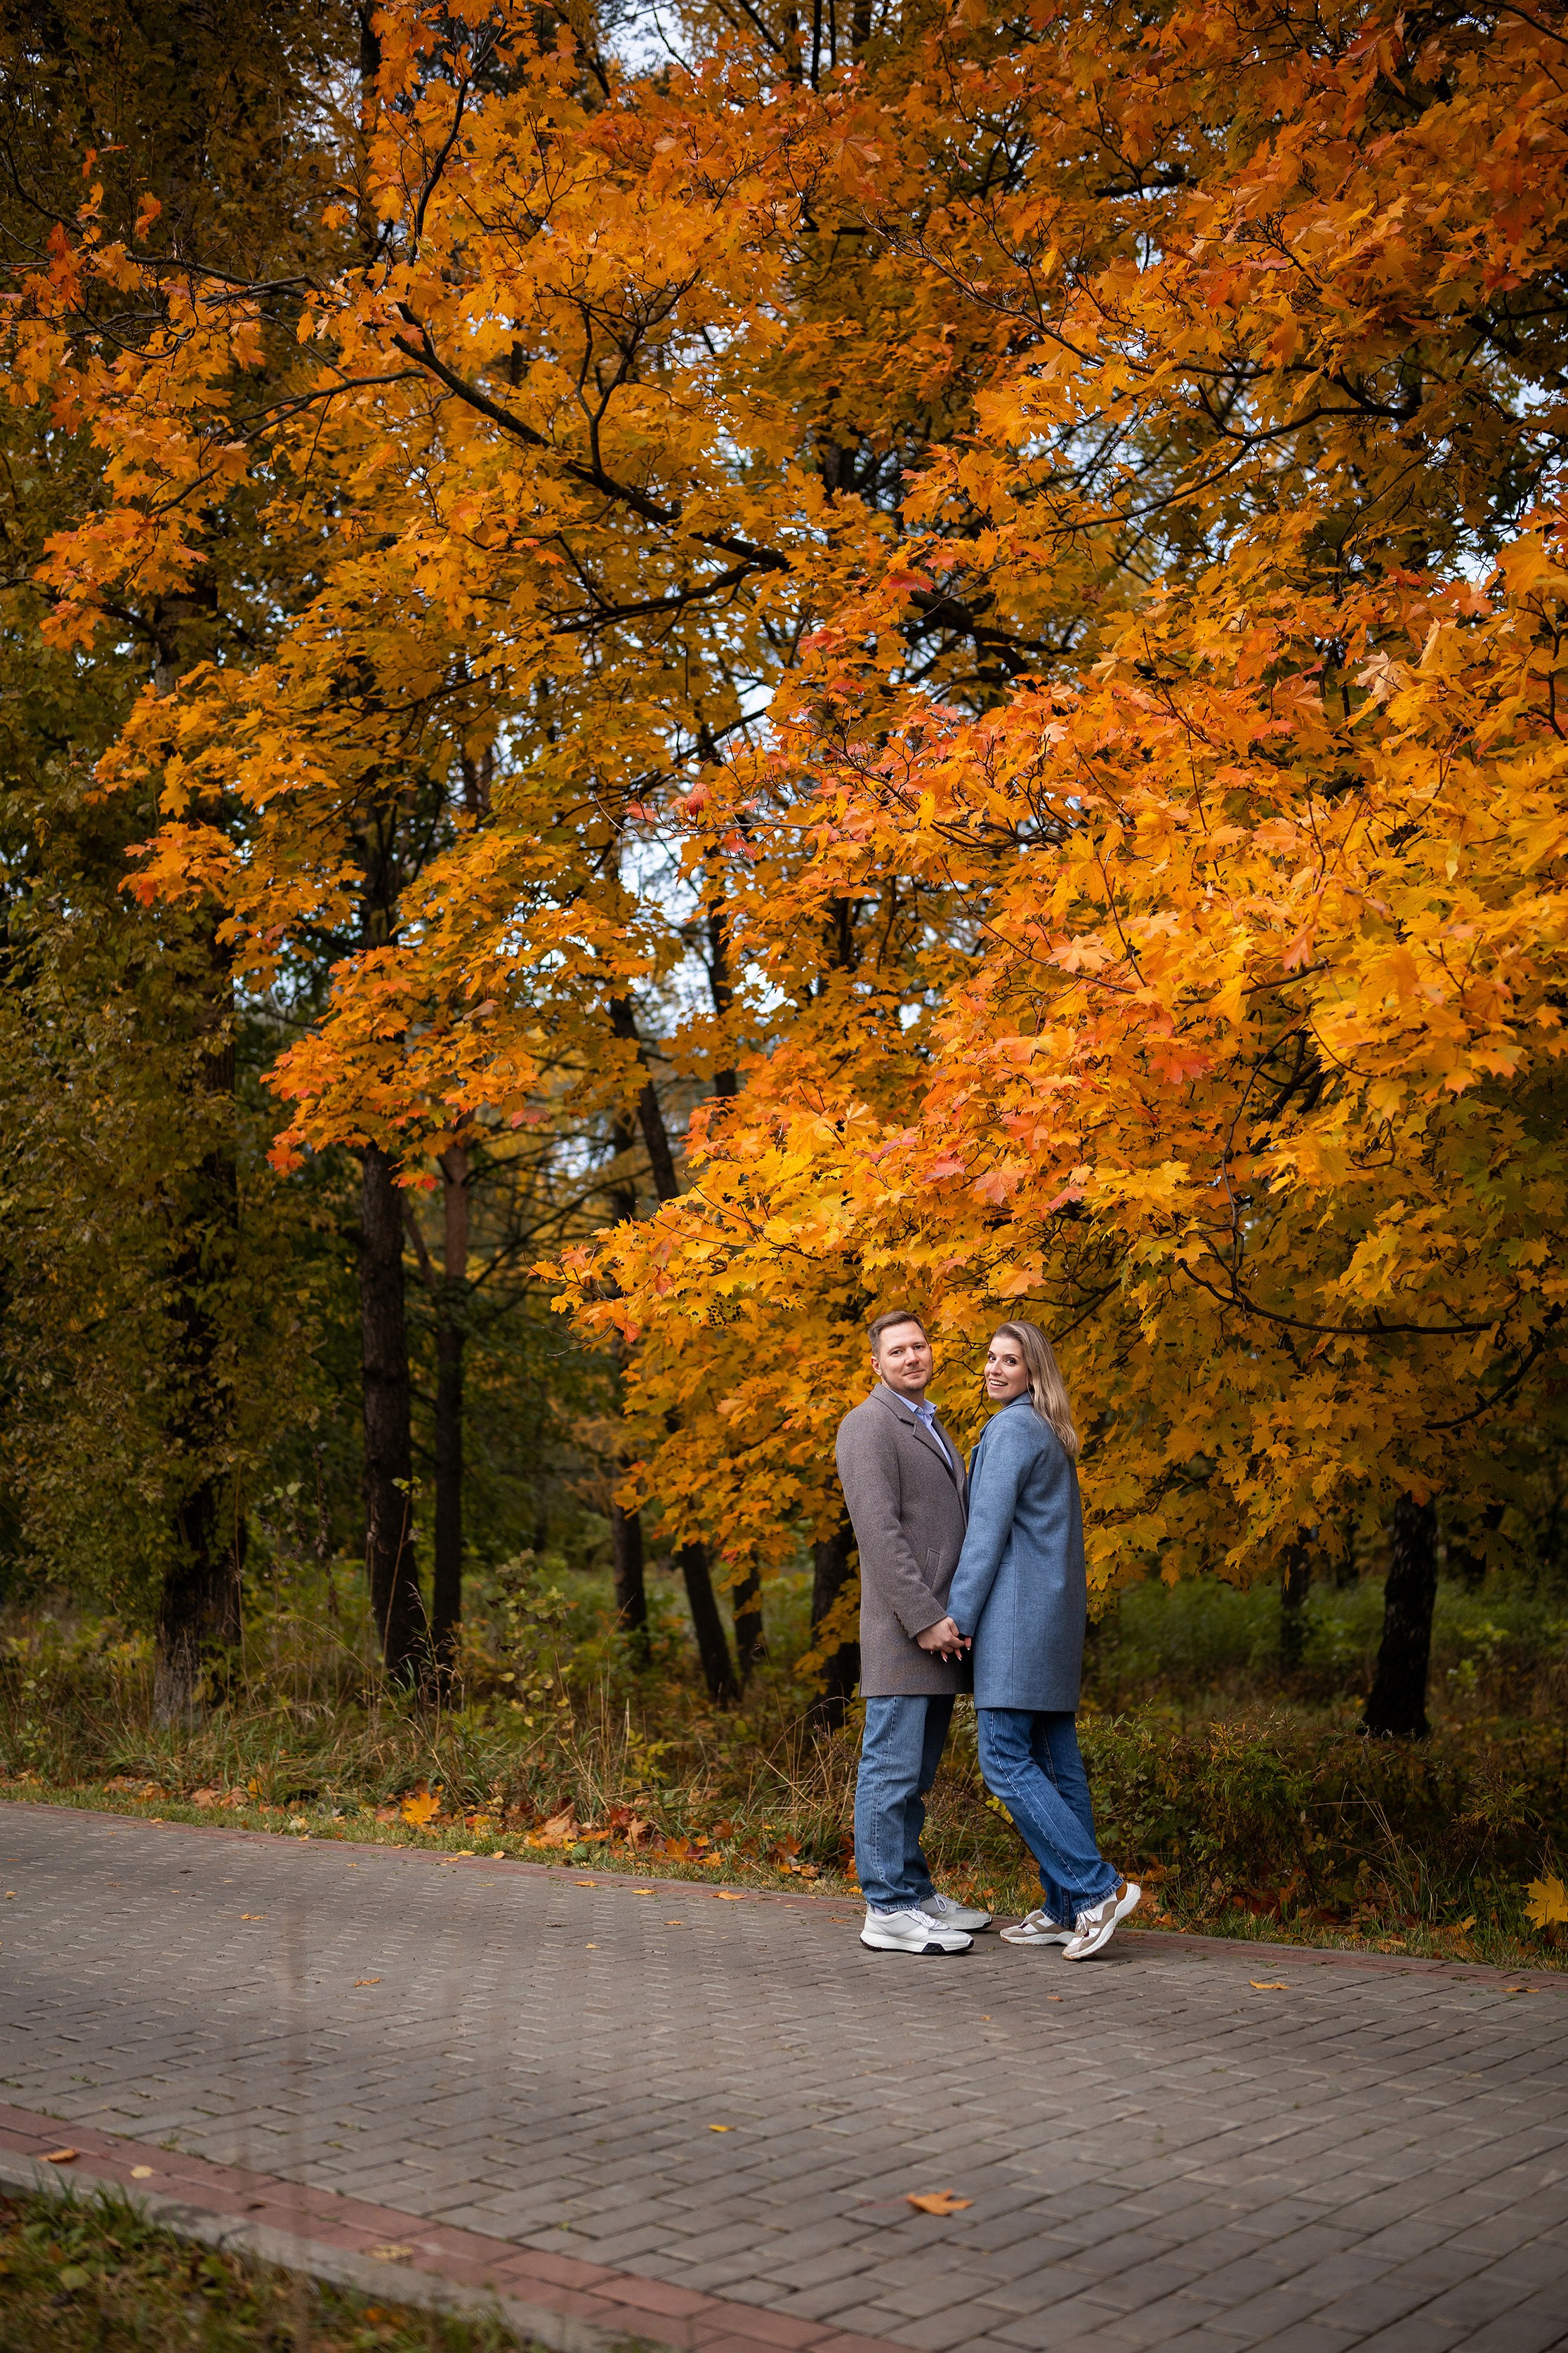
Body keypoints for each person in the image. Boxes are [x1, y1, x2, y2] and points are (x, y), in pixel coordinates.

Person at [947, 1322, 1140, 1962]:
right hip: (1052, 1621)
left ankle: (1095, 1889)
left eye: (1010, 1361)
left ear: (1035, 1373)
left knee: (1003, 1759)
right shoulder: (1047, 1432)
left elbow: (985, 1537)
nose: (995, 1370)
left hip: (1014, 1620)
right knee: (1057, 1764)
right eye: (991, 1358)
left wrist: (959, 1617)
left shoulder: (1009, 1431)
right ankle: (1065, 1908)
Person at [835, 1309, 991, 1955]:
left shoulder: (930, 1423)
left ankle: (912, 1889)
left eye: (919, 1346)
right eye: (896, 1351)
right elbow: (879, 1534)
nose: (911, 1357)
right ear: (876, 1364)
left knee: (916, 1775)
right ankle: (887, 1908)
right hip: (906, 1633)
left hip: (938, 1634)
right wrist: (925, 1617)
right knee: (890, 1770)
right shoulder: (867, 1425)